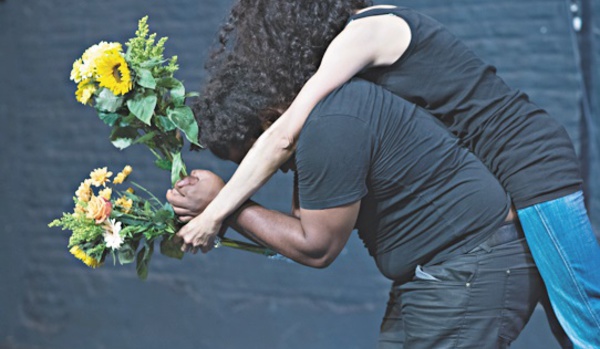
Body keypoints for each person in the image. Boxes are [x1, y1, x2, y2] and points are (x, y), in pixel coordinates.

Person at [185, 2, 600, 347]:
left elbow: (283, 135)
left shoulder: (361, 36)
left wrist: (214, 213)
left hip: (529, 162)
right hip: (507, 168)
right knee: (572, 327)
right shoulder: (350, 71)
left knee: (585, 326)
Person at [168, 63, 543, 347]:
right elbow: (304, 221)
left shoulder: (329, 126)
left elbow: (317, 247)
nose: (274, 172)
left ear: (270, 124)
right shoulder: (316, 118)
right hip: (436, 273)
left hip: (471, 264)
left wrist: (223, 205)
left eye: (256, 160)